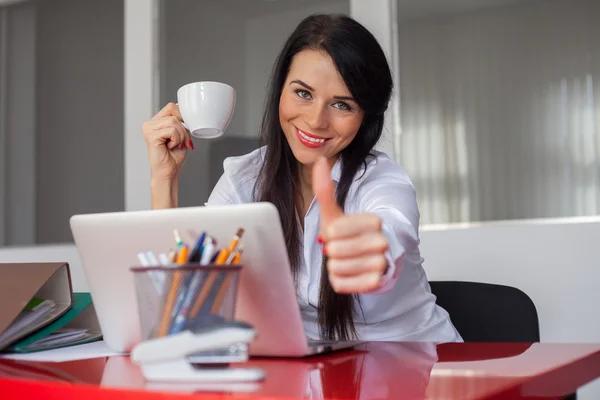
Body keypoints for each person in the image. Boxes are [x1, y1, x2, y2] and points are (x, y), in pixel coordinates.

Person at [142, 14, 461, 343]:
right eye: (303, 94)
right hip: (316, 377)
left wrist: (369, 253)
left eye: (341, 104)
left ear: (365, 118)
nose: (315, 120)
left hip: (420, 367)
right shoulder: (245, 178)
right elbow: (184, 299)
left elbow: (390, 231)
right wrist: (164, 180)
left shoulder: (383, 182)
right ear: (281, 89)